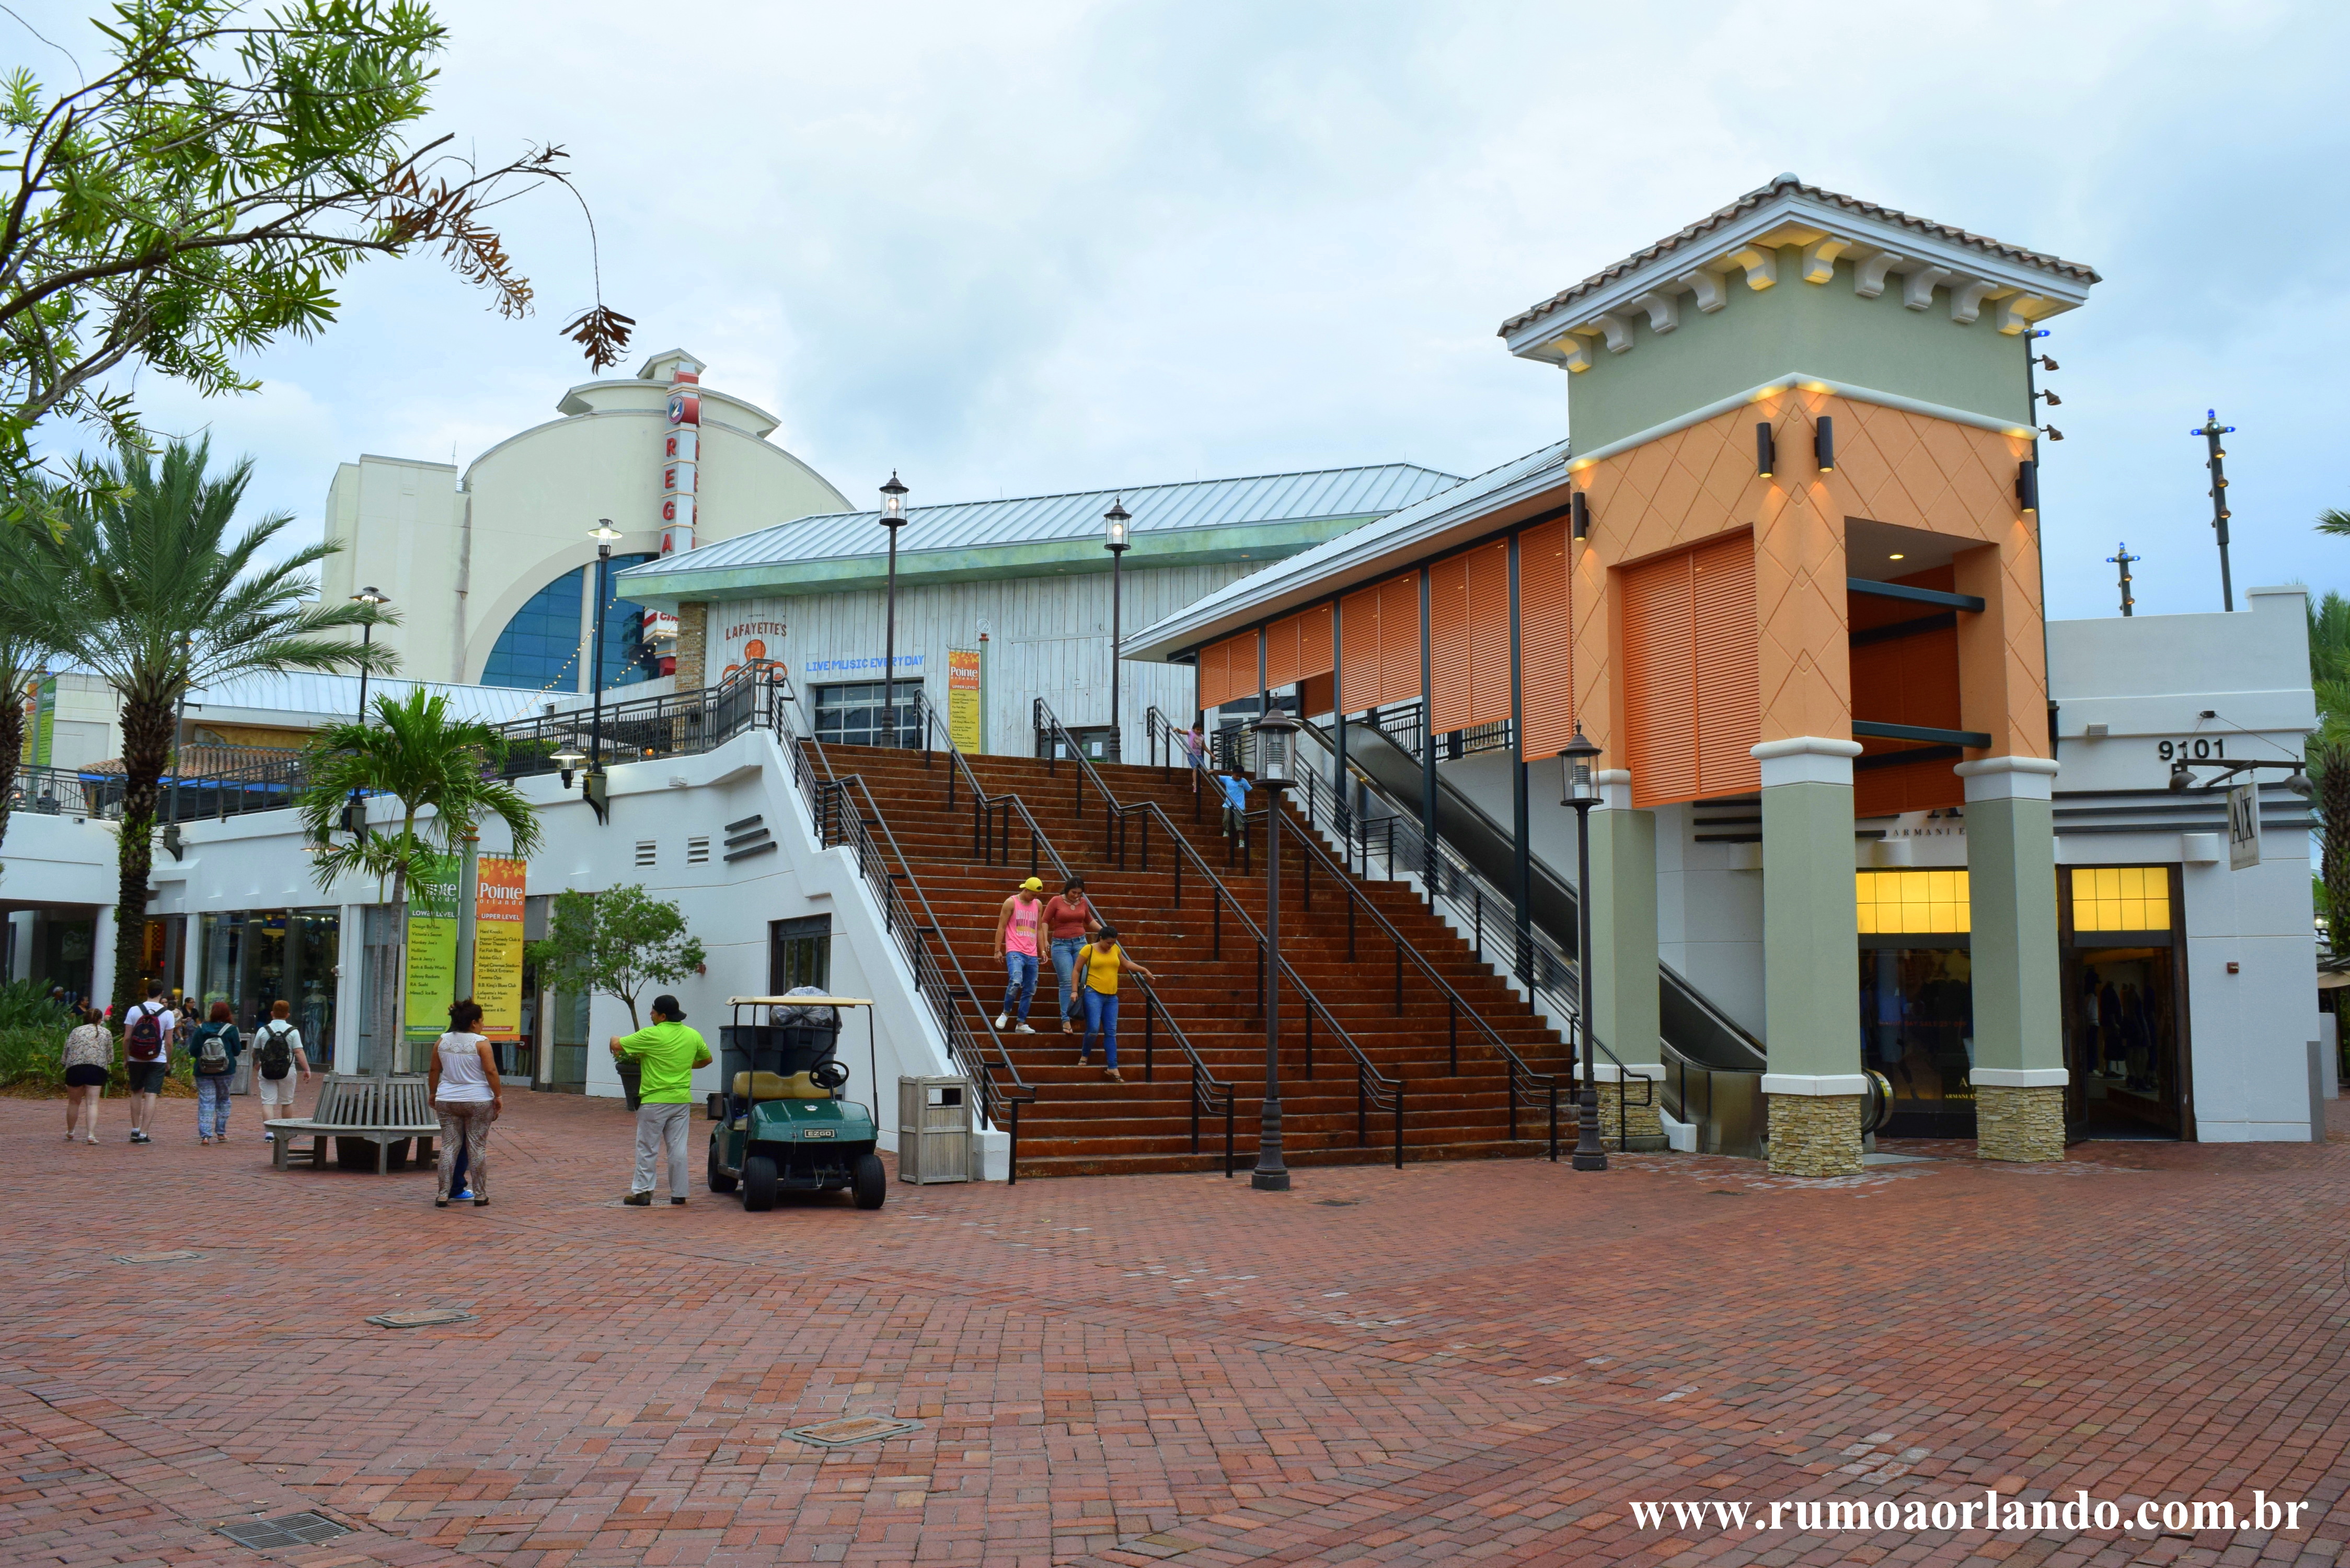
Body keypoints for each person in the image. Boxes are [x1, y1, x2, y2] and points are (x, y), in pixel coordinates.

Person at [610, 994, 711, 1206]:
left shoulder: (651, 1035)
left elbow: (618, 1046)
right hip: (681, 1100)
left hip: (654, 1101)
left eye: (653, 1012)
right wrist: (683, 1065)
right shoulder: (692, 1035)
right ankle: (679, 1193)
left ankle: (643, 1192)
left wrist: (612, 1038)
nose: (651, 1014)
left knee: (647, 1147)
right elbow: (706, 1059)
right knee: (678, 1147)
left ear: (663, 1016)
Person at [429, 999, 500, 1208]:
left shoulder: (441, 1042)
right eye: (481, 1020)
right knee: (477, 1147)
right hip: (477, 1100)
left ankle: (443, 1194)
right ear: (473, 1023)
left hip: (448, 1099)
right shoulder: (481, 1042)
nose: (483, 1024)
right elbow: (491, 1071)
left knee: (449, 1146)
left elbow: (434, 1070)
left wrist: (433, 1092)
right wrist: (499, 1096)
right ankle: (480, 1194)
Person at [1074, 926, 1155, 1083]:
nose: (1111, 946)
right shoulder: (1088, 949)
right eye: (1109, 943)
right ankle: (1085, 1054)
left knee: (1111, 1032)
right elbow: (1076, 970)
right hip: (1093, 993)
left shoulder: (1116, 949)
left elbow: (1126, 964)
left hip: (1111, 997)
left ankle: (1113, 1066)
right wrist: (1074, 991)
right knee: (1093, 1029)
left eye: (1114, 943)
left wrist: (1144, 970)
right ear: (1101, 939)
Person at [1041, 877, 1100, 1035]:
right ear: (1067, 890)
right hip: (1061, 945)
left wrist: (1105, 931)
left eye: (1080, 893)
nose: (1077, 896)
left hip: (1080, 943)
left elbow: (1089, 920)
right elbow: (1045, 920)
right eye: (1074, 892)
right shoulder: (1056, 901)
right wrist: (1045, 940)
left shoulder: (1083, 903)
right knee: (1067, 981)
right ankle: (1065, 1018)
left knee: (1083, 978)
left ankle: (1076, 1008)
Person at [120, 982, 176, 1145]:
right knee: (151, 1094)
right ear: (162, 993)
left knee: (136, 1091)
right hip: (157, 1057)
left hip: (136, 1056)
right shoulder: (168, 1014)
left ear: (147, 991)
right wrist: (168, 1062)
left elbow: (127, 1038)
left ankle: (135, 1130)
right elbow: (169, 1043)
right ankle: (144, 1134)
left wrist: (126, 1058)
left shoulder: (134, 1010)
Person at [250, 999, 310, 1143]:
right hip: (287, 1070)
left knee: (268, 1102)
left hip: (267, 1070)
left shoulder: (263, 1030)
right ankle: (286, 1131)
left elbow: (255, 1051)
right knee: (287, 1101)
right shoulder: (293, 1031)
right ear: (288, 1015)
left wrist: (257, 1062)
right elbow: (299, 1051)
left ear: (272, 1014)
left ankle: (269, 1133)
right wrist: (307, 1069)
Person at [992, 875, 1045, 1033]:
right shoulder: (1011, 903)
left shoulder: (1038, 904)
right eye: (1033, 894)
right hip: (1015, 949)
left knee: (1030, 987)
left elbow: (1039, 928)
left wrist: (1042, 949)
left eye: (1037, 896)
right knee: (1016, 981)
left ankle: (1021, 1023)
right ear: (1026, 889)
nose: (1034, 898)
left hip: (1031, 951)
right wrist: (997, 949)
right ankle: (1006, 1012)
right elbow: (1001, 926)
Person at [188, 1000, 243, 1145]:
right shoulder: (231, 1029)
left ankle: (206, 1136)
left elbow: (193, 1051)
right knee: (224, 1099)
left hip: (203, 1070)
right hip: (226, 1070)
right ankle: (221, 1133)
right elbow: (237, 1051)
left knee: (206, 1101)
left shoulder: (201, 1028)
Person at [60, 1002, 111, 1145]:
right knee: (92, 1103)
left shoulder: (76, 1031)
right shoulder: (106, 1033)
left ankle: (71, 1131)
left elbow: (66, 1052)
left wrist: (64, 1063)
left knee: (74, 1102)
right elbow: (110, 1056)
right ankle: (91, 1135)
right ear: (100, 1020)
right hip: (96, 1068)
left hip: (75, 1068)